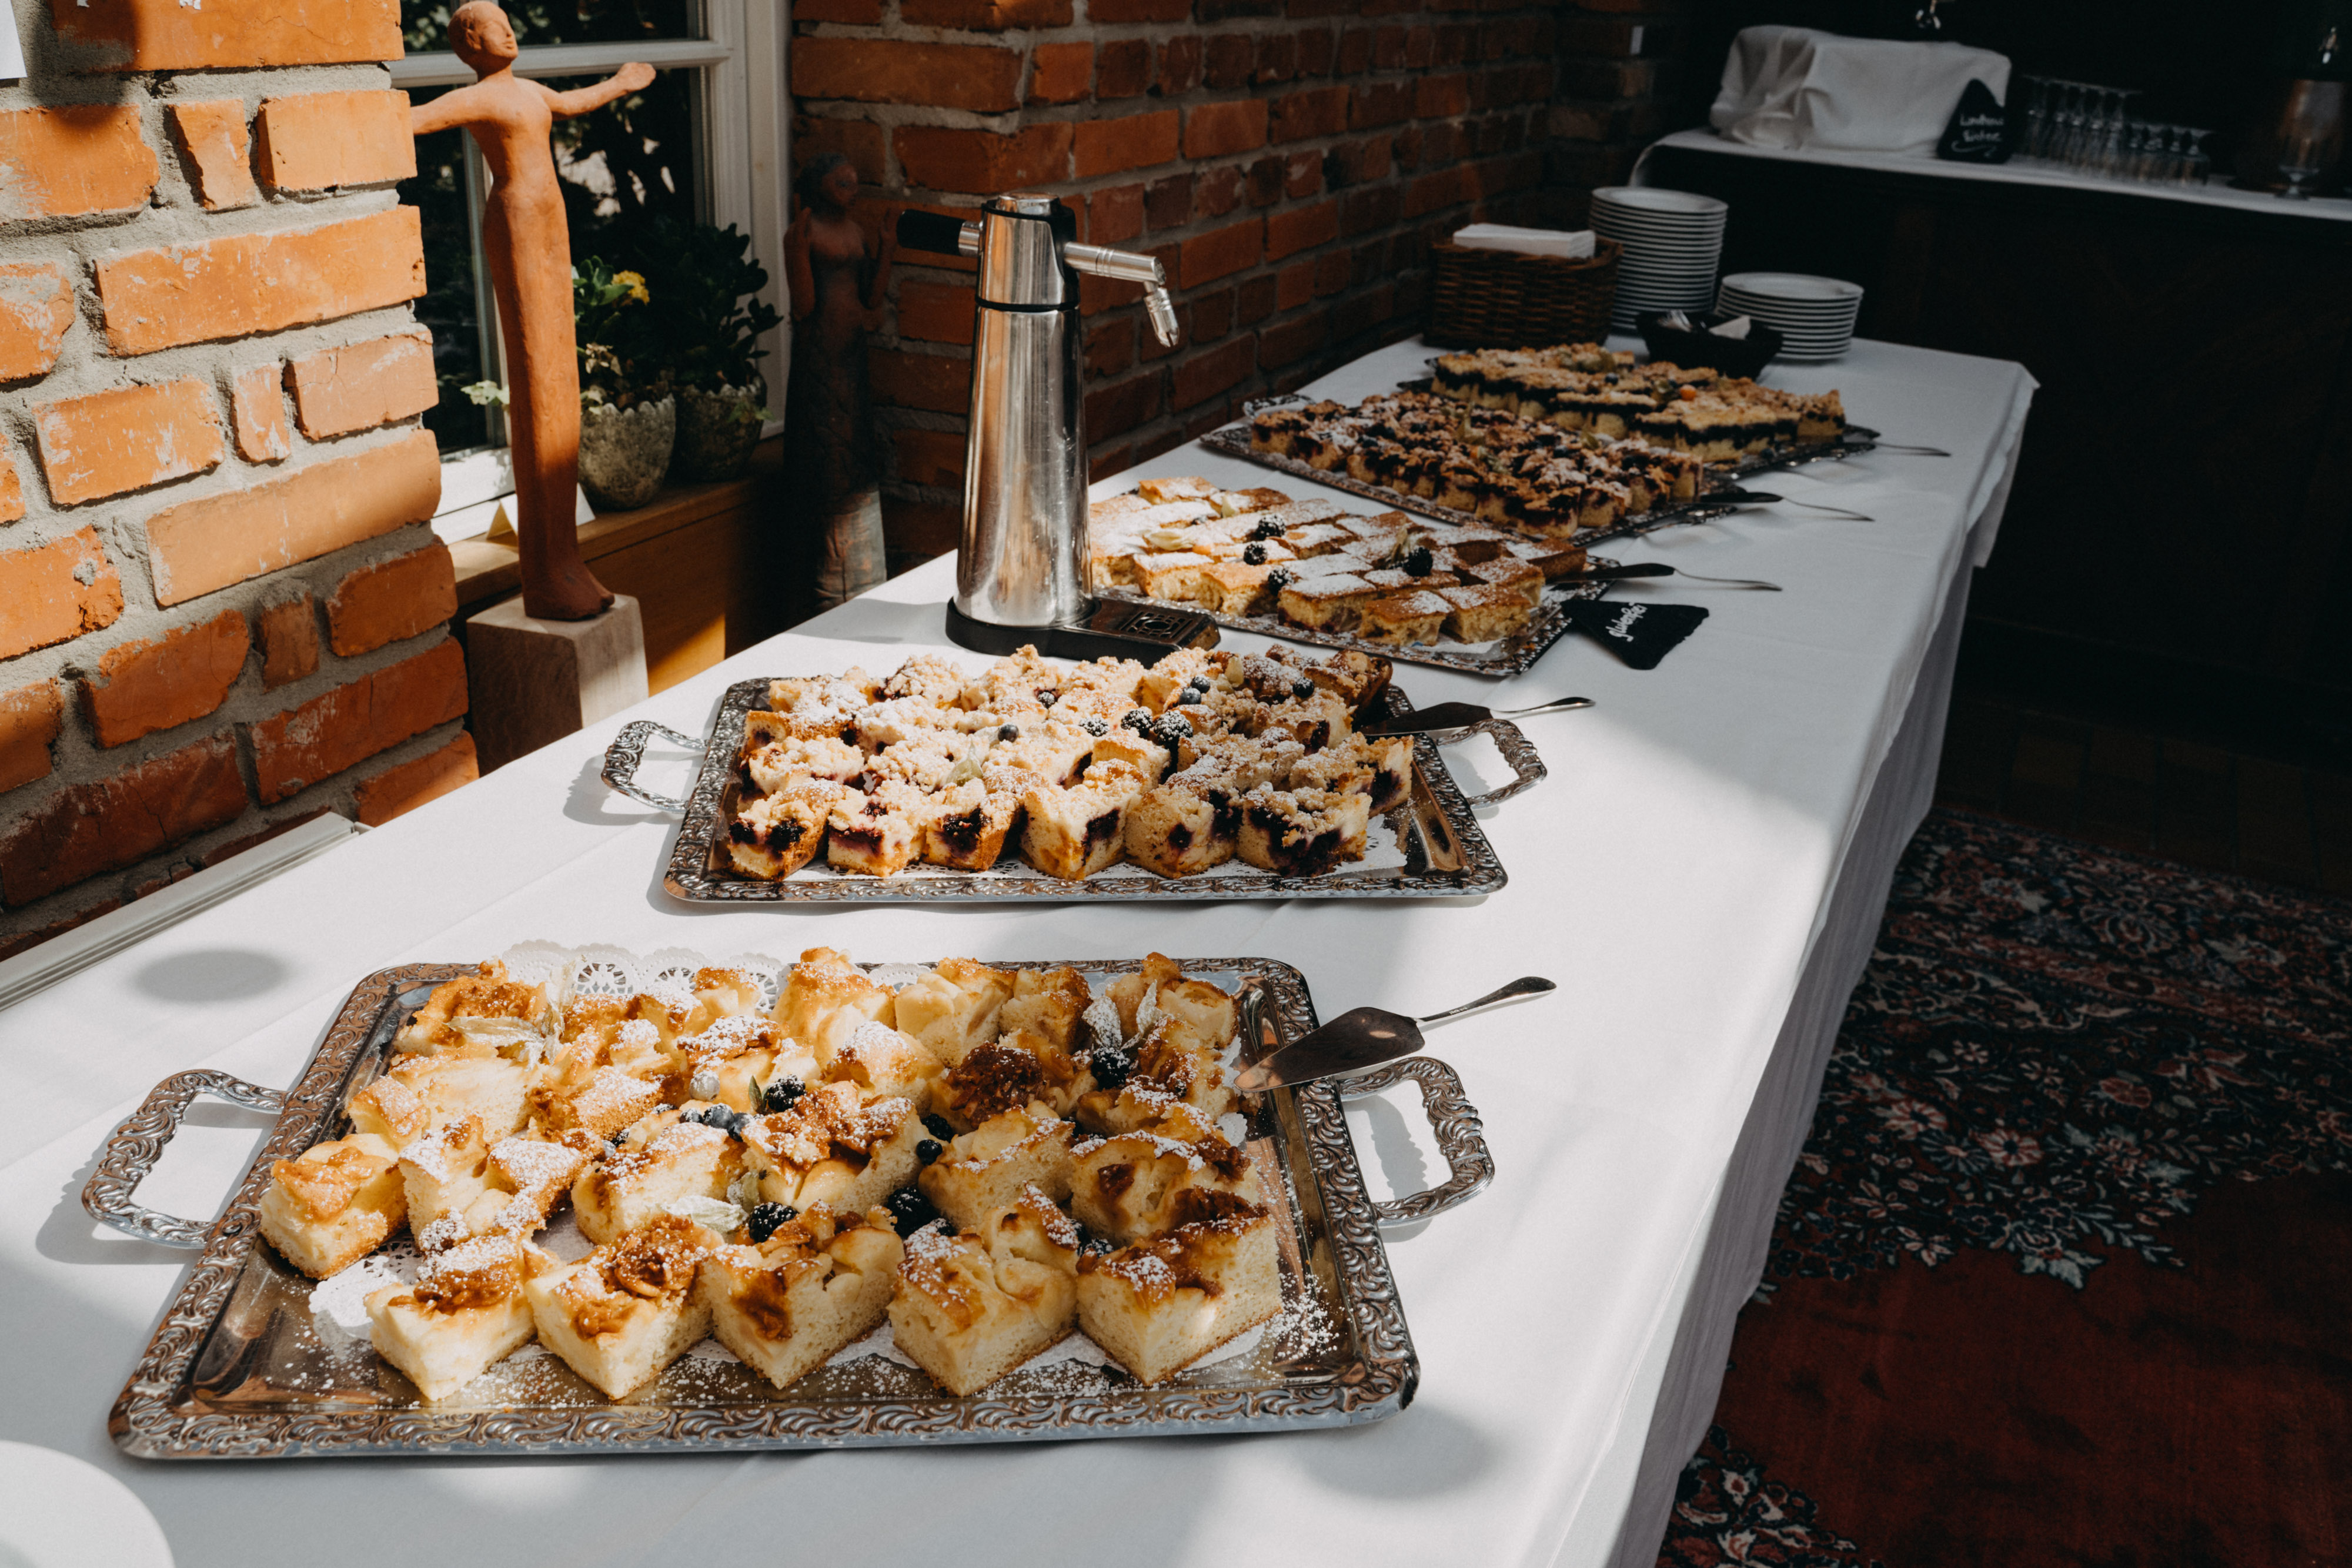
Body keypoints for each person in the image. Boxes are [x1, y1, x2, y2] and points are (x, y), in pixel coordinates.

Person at [410, 2, 651, 621]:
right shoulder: (484, 100)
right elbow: (415, 119)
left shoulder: (529, 93)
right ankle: (545, 573)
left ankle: (567, 560)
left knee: (561, 383)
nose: (509, 29)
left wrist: (622, 84)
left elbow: (574, 102)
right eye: (492, 23)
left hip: (549, 218)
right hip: (516, 219)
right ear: (470, 40)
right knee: (539, 380)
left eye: (509, 19)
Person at [784, 153, 893, 609]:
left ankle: (863, 578)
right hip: (821, 359)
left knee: (855, 448)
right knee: (828, 452)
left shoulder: (854, 232)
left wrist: (887, 246)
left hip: (852, 356)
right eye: (839, 179)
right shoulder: (807, 233)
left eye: (853, 175)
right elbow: (805, 305)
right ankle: (828, 588)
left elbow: (871, 295)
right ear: (817, 186)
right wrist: (797, 252)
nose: (852, 181)